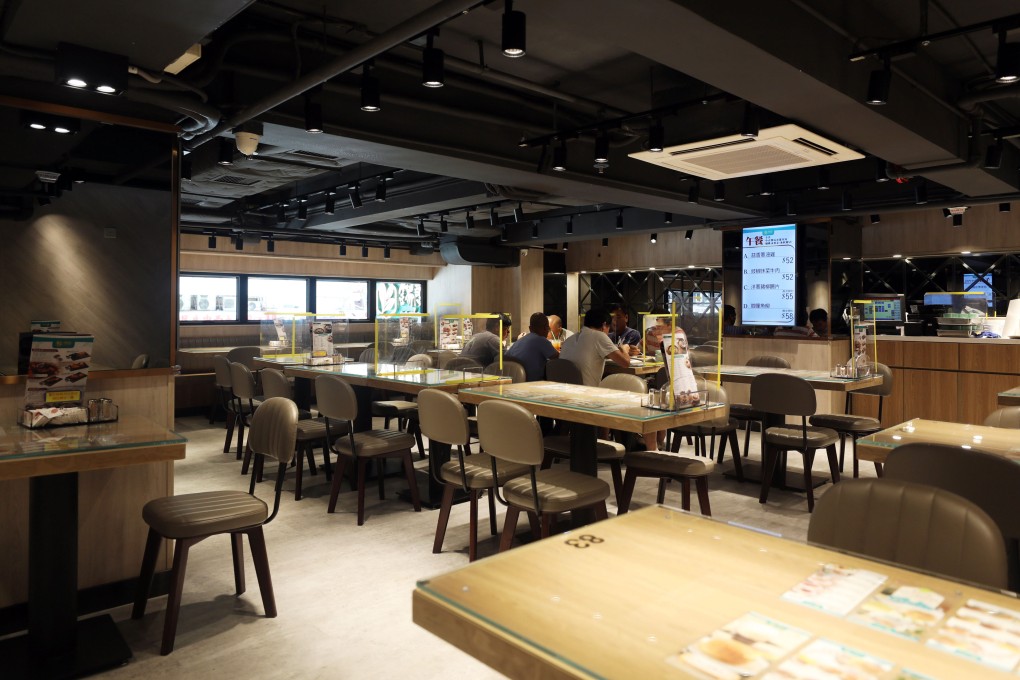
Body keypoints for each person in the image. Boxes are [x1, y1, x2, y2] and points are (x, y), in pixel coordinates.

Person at [559, 308, 631, 387]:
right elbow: (625, 363)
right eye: (608, 328)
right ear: (604, 325)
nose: (608, 333)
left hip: (564, 390)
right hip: (586, 391)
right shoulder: (599, 336)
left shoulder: (569, 339)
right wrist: (624, 349)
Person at [506, 312, 559, 381]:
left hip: (513, 380)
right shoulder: (541, 340)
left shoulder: (520, 340)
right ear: (545, 328)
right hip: (531, 382)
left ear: (530, 328)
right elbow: (558, 358)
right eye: (547, 328)